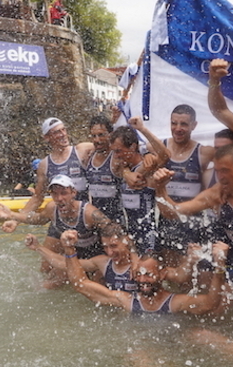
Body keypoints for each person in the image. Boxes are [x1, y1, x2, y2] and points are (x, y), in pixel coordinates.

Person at [154, 144, 233, 316]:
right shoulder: (215, 194)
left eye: (226, 171)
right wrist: (160, 188)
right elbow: (172, 212)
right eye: (218, 171)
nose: (221, 176)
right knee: (218, 314)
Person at [60, 229, 231, 315]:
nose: (142, 279)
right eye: (138, 274)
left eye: (148, 275)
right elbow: (80, 284)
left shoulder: (175, 302)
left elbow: (210, 303)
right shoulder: (126, 300)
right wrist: (69, 249)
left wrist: (219, 266)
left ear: (162, 274)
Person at [0, 174, 111, 287]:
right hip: (75, 251)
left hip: (96, 255)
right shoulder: (52, 208)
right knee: (51, 282)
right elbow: (37, 219)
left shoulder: (89, 213)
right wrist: (12, 215)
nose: (59, 198)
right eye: (55, 194)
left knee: (96, 284)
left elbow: (114, 232)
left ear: (73, 193)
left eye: (64, 193)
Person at [157, 104, 215, 267]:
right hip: (166, 219)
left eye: (184, 124)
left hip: (193, 222)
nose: (178, 128)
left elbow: (232, 159)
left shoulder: (204, 152)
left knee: (190, 272)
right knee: (168, 271)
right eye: (174, 123)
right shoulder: (158, 148)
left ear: (194, 126)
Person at [25, 223, 138, 292]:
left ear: (126, 241)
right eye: (105, 247)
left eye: (113, 246)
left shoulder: (142, 265)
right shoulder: (103, 262)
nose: (109, 252)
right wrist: (37, 247)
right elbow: (63, 263)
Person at [110, 123, 165, 254]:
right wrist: (126, 172)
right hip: (128, 235)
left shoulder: (146, 167)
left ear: (133, 147)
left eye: (119, 151)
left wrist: (143, 130)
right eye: (114, 151)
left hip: (148, 236)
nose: (116, 155)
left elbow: (164, 155)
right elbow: (116, 168)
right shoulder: (121, 167)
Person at [21, 117, 93, 214]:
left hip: (83, 217)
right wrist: (16, 220)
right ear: (47, 137)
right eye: (57, 132)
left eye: (63, 130)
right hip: (62, 219)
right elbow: (38, 198)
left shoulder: (81, 150)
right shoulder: (44, 165)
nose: (63, 134)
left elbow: (110, 145)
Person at [85, 115, 125, 224]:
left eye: (101, 135)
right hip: (95, 221)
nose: (97, 140)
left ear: (110, 134)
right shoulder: (88, 156)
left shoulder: (117, 158)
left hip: (115, 221)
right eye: (94, 136)